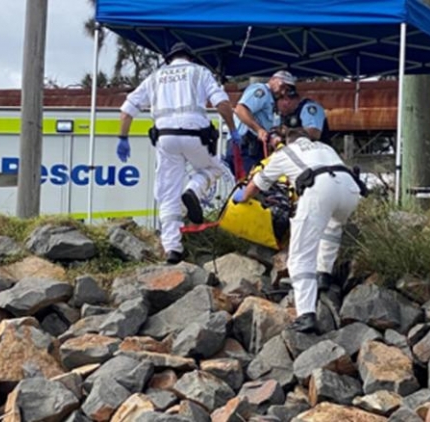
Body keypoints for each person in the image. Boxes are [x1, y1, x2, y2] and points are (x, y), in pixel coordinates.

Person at [116, 42, 241, 265]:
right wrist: (232, 129)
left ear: (169, 59)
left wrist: (123, 138)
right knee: (213, 169)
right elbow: (222, 103)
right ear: (190, 57)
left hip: (165, 139)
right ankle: (193, 190)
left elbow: (126, 111)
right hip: (196, 135)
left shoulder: (155, 77)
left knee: (167, 192)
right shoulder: (199, 72)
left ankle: (172, 249)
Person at [232, 128, 365, 333]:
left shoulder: (284, 153)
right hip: (350, 190)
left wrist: (243, 197)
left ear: (288, 141)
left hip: (319, 189)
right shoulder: (324, 147)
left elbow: (258, 184)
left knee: (300, 257)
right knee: (333, 226)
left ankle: (306, 314)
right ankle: (323, 274)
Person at [226, 70, 296, 176]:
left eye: (287, 90)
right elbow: (240, 110)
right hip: (245, 146)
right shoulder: (261, 91)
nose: (283, 92)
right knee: (248, 182)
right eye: (282, 86)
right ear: (273, 79)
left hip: (254, 148)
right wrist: (259, 130)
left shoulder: (272, 100)